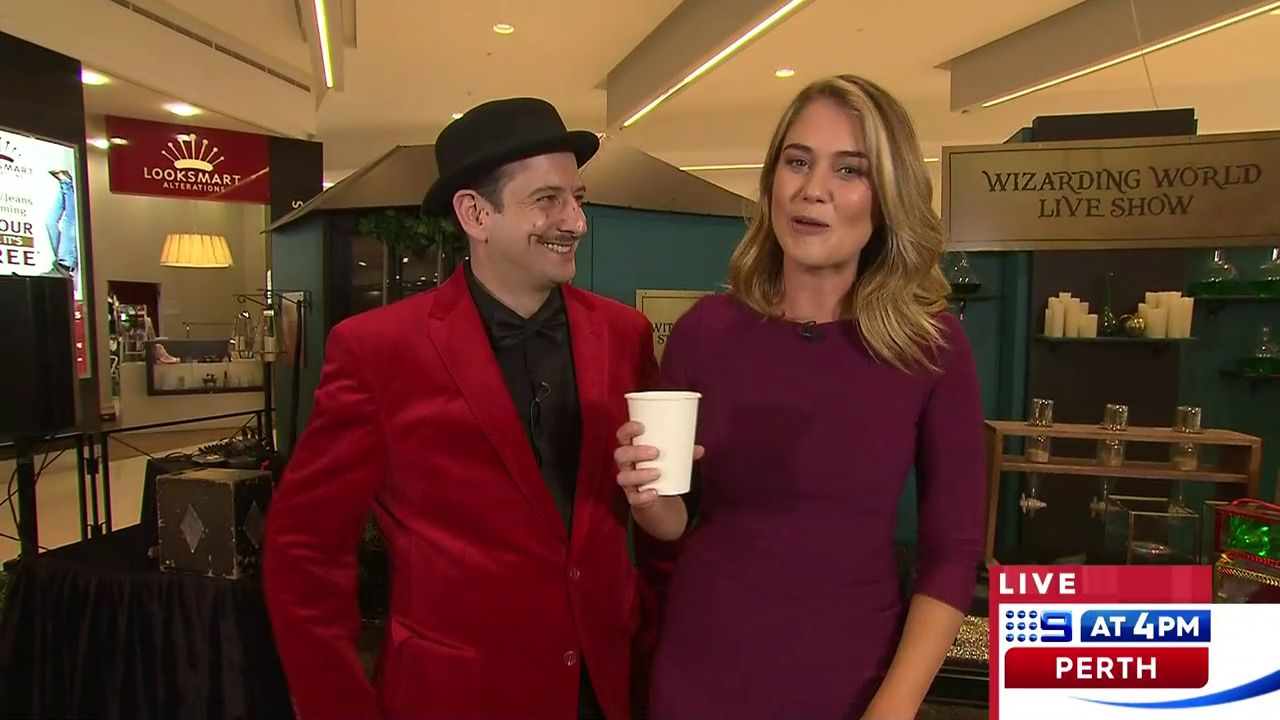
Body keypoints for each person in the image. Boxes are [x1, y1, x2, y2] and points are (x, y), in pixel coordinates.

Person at [265, 97, 665, 720]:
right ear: (475, 213)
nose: (576, 222)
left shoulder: (624, 335)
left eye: (577, 198)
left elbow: (655, 513)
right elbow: (304, 552)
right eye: (548, 200)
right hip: (456, 697)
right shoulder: (377, 351)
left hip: (607, 687)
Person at [614, 75, 986, 719]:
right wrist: (645, 497)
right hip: (701, 671)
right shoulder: (706, 331)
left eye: (849, 169)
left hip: (850, 683)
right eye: (797, 162)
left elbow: (952, 554)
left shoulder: (930, 345)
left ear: (887, 197)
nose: (813, 188)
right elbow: (676, 522)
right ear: (771, 183)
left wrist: (893, 707)